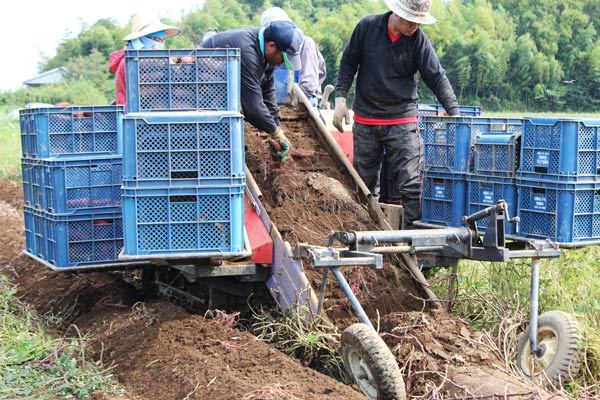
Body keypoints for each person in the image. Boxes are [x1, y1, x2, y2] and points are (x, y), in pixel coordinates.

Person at [333, 0, 460, 226]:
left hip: (402, 118)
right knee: (364, 183)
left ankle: (413, 241)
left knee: (411, 183)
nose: (415, 26)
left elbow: (437, 77)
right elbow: (348, 62)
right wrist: (340, 98)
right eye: (411, 21)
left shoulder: (418, 40)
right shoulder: (367, 28)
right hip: (366, 119)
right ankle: (364, 232)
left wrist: (454, 111)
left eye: (419, 22)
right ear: (397, 14)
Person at [202, 21, 304, 161]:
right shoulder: (247, 52)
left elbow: (267, 93)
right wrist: (276, 133)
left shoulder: (265, 54)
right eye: (284, 58)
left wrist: (276, 126)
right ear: (271, 46)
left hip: (217, 100)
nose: (282, 64)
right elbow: (253, 108)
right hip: (200, 98)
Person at [260, 7, 326, 108]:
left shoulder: (305, 44)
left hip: (304, 100)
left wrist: (290, 105)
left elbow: (309, 85)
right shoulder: (268, 47)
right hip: (272, 102)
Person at [108, 17, 180, 105]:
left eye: (162, 40)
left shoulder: (141, 60)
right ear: (140, 40)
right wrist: (170, 62)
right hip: (131, 112)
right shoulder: (131, 61)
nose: (160, 43)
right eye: (156, 39)